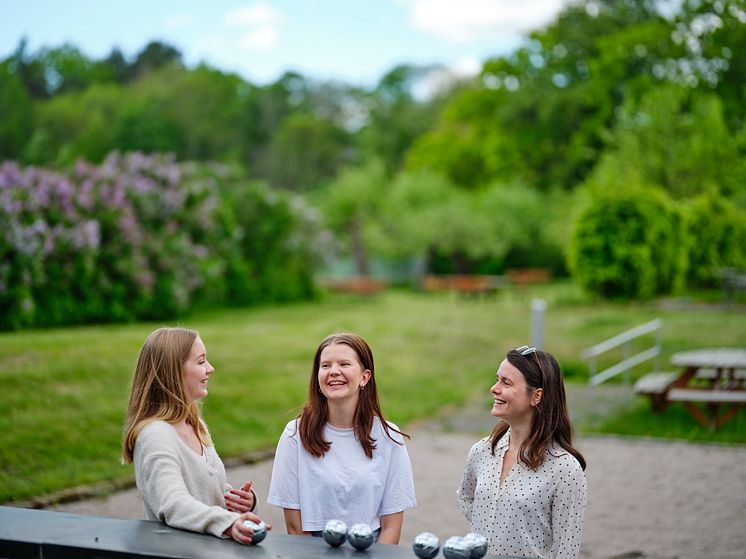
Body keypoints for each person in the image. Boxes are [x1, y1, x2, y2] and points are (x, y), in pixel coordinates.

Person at [122, 327, 270, 544]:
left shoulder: (194, 423)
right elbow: (173, 503)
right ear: (172, 372)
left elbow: (205, 490)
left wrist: (239, 502)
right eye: (201, 362)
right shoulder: (155, 435)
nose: (210, 369)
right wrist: (228, 523)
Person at [267, 332, 416, 544]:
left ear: (364, 377)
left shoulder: (389, 437)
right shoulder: (295, 435)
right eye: (325, 365)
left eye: (344, 364)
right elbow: (295, 527)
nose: (334, 371)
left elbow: (391, 527)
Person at [457, 346, 587, 559]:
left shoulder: (565, 469)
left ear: (536, 396)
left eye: (506, 383)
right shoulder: (481, 451)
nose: (494, 388)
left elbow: (566, 549)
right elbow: (465, 497)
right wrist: (495, 529)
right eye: (497, 379)